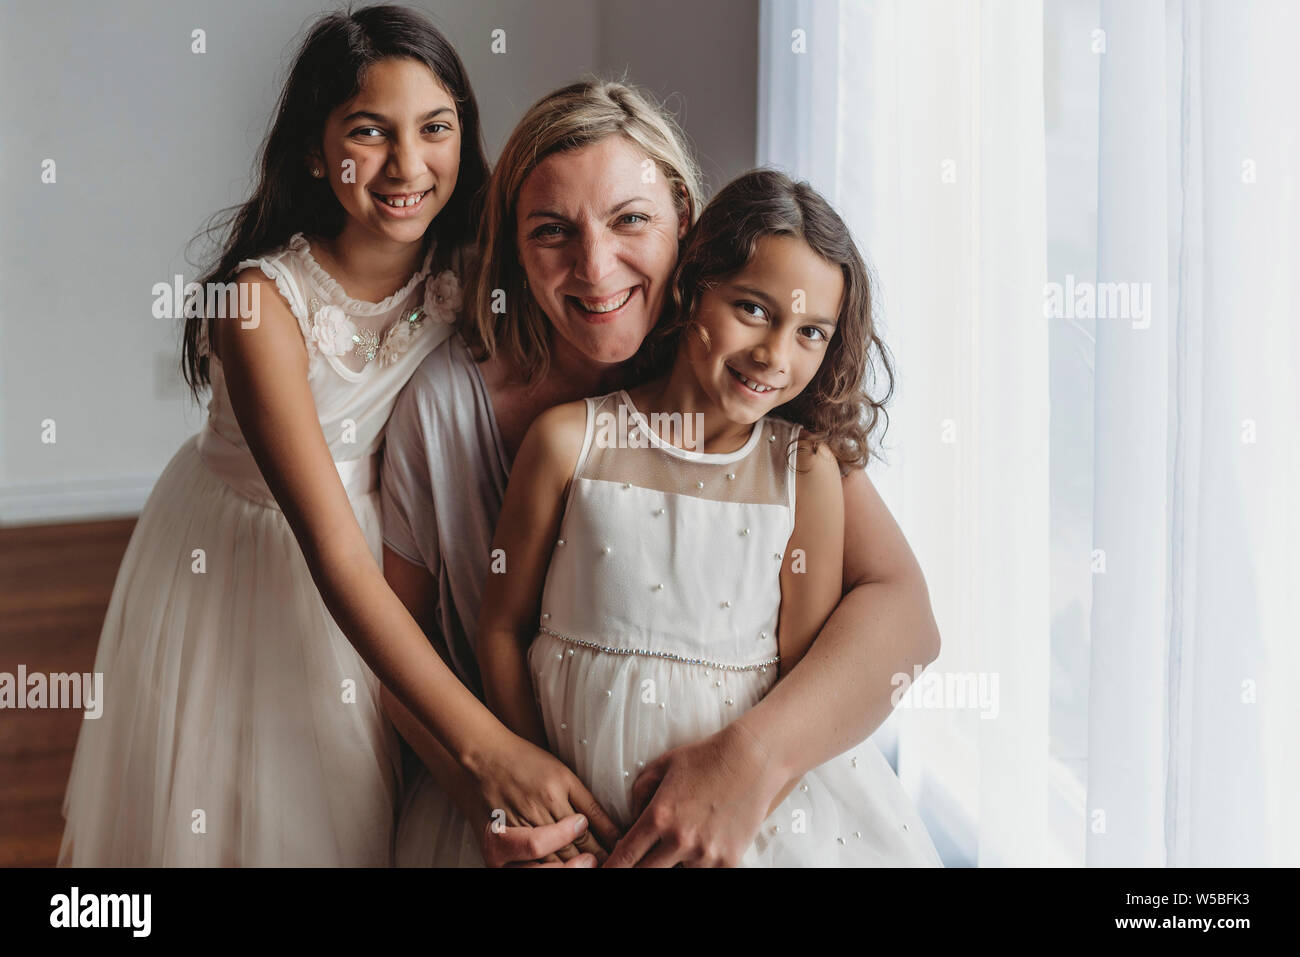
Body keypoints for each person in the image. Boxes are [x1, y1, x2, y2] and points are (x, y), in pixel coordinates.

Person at [59, 6, 610, 867]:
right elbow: (334, 556)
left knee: (366, 808)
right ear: (316, 153)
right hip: (260, 553)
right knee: (260, 809)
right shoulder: (260, 308)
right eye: (369, 132)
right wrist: (489, 749)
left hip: (380, 543)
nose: (407, 165)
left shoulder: (468, 269)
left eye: (435, 129)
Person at [381, 80, 943, 867]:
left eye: (631, 219)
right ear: (511, 242)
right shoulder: (462, 410)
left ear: (686, 219)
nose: (595, 265)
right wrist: (507, 799)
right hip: (523, 791)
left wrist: (750, 763)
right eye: (551, 231)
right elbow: (398, 654)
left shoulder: (763, 416)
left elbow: (897, 620)